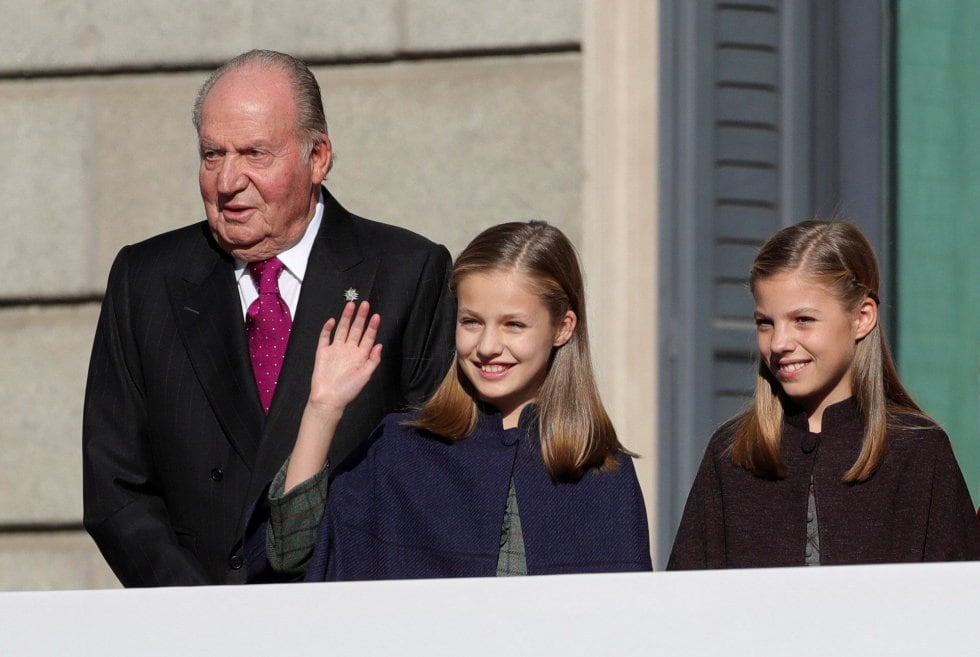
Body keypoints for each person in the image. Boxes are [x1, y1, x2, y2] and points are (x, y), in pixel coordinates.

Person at [82, 50, 455, 586]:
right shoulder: (146, 279)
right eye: (212, 155)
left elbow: (433, 474)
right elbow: (113, 483)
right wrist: (197, 615)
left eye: (255, 153)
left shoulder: (407, 273)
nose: (228, 180)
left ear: (318, 156)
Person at [245, 221, 652, 581]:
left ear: (563, 328)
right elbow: (289, 554)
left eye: (514, 325)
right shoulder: (400, 451)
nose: (488, 346)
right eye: (471, 321)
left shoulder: (604, 475)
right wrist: (322, 410)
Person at [668, 220, 980, 569]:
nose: (779, 343)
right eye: (765, 322)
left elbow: (960, 608)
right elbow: (682, 608)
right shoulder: (729, 455)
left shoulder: (920, 452)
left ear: (862, 317)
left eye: (803, 320)